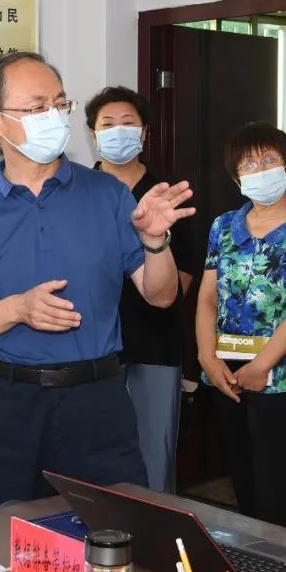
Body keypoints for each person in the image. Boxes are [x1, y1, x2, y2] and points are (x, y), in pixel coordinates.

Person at [0, 51, 195, 511]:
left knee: (116, 529)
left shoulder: (109, 196)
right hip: (6, 404)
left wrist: (155, 242)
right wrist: (17, 309)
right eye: (37, 108)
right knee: (5, 535)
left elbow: (161, 296)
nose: (53, 118)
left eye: (59, 104)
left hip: (97, 400)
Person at [195, 121, 286, 530]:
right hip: (226, 375)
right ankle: (248, 563)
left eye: (269, 160)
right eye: (248, 164)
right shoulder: (223, 227)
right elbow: (207, 298)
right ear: (235, 177)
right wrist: (206, 357)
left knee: (278, 493)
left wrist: (261, 366)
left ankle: (283, 564)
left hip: (281, 379)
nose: (259, 170)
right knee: (243, 485)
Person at [85, 85, 199, 493]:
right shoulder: (78, 192)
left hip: (153, 342)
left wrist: (151, 289)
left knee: (153, 456)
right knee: (93, 457)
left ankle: (157, 529)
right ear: (92, 135)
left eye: (128, 123)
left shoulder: (167, 194)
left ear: (145, 133)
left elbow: (183, 273)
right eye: (107, 124)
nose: (118, 131)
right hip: (91, 347)